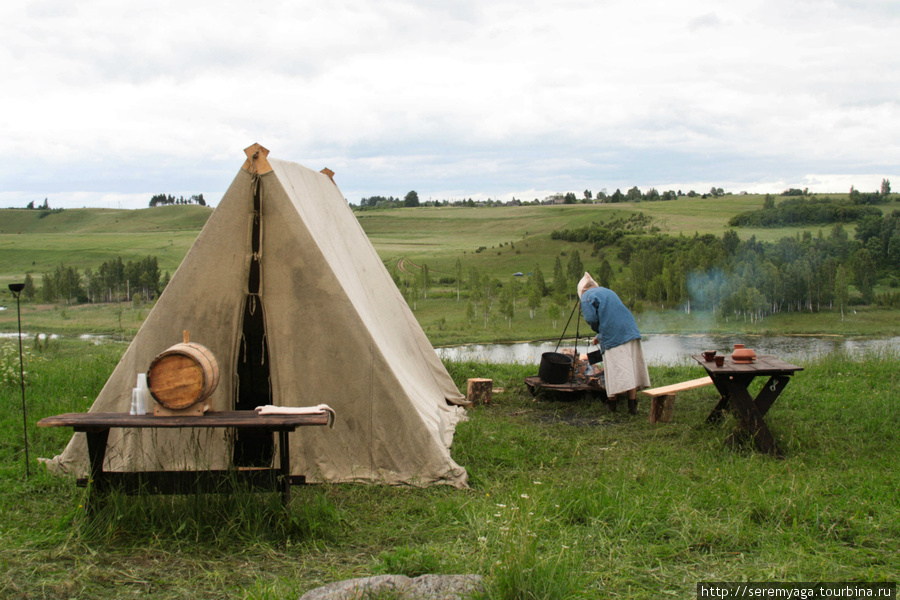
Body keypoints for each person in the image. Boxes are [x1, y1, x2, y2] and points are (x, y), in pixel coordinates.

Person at [577, 272, 650, 414]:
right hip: (630, 329)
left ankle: (612, 403)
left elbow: (592, 319)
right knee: (631, 367)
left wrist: (599, 331)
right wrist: (600, 335)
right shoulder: (608, 291)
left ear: (582, 291)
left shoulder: (586, 297)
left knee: (613, 369)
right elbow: (613, 314)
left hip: (614, 335)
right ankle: (632, 405)